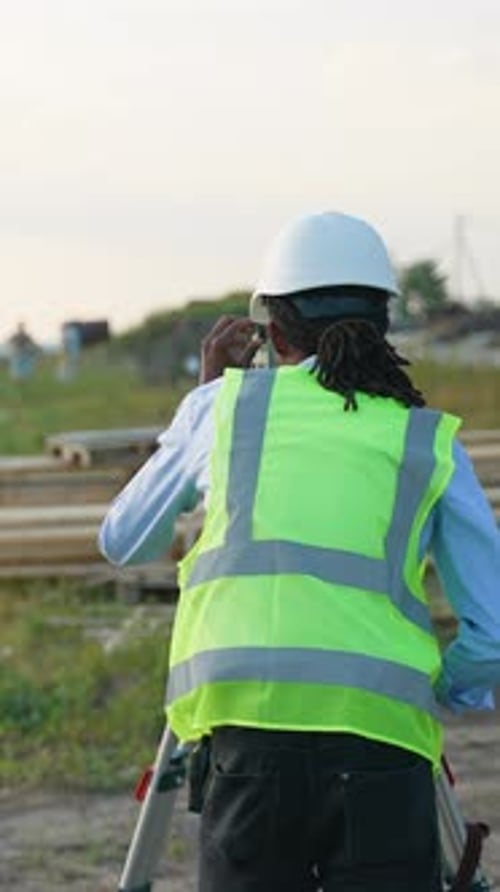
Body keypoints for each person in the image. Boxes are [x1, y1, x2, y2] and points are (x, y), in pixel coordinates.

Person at [99, 211, 500, 892]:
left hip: (245, 738)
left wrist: (206, 393)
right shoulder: (426, 440)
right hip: (380, 741)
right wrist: (447, 686)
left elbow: (122, 539)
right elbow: (492, 630)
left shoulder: (220, 410)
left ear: (271, 329)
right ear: (385, 327)